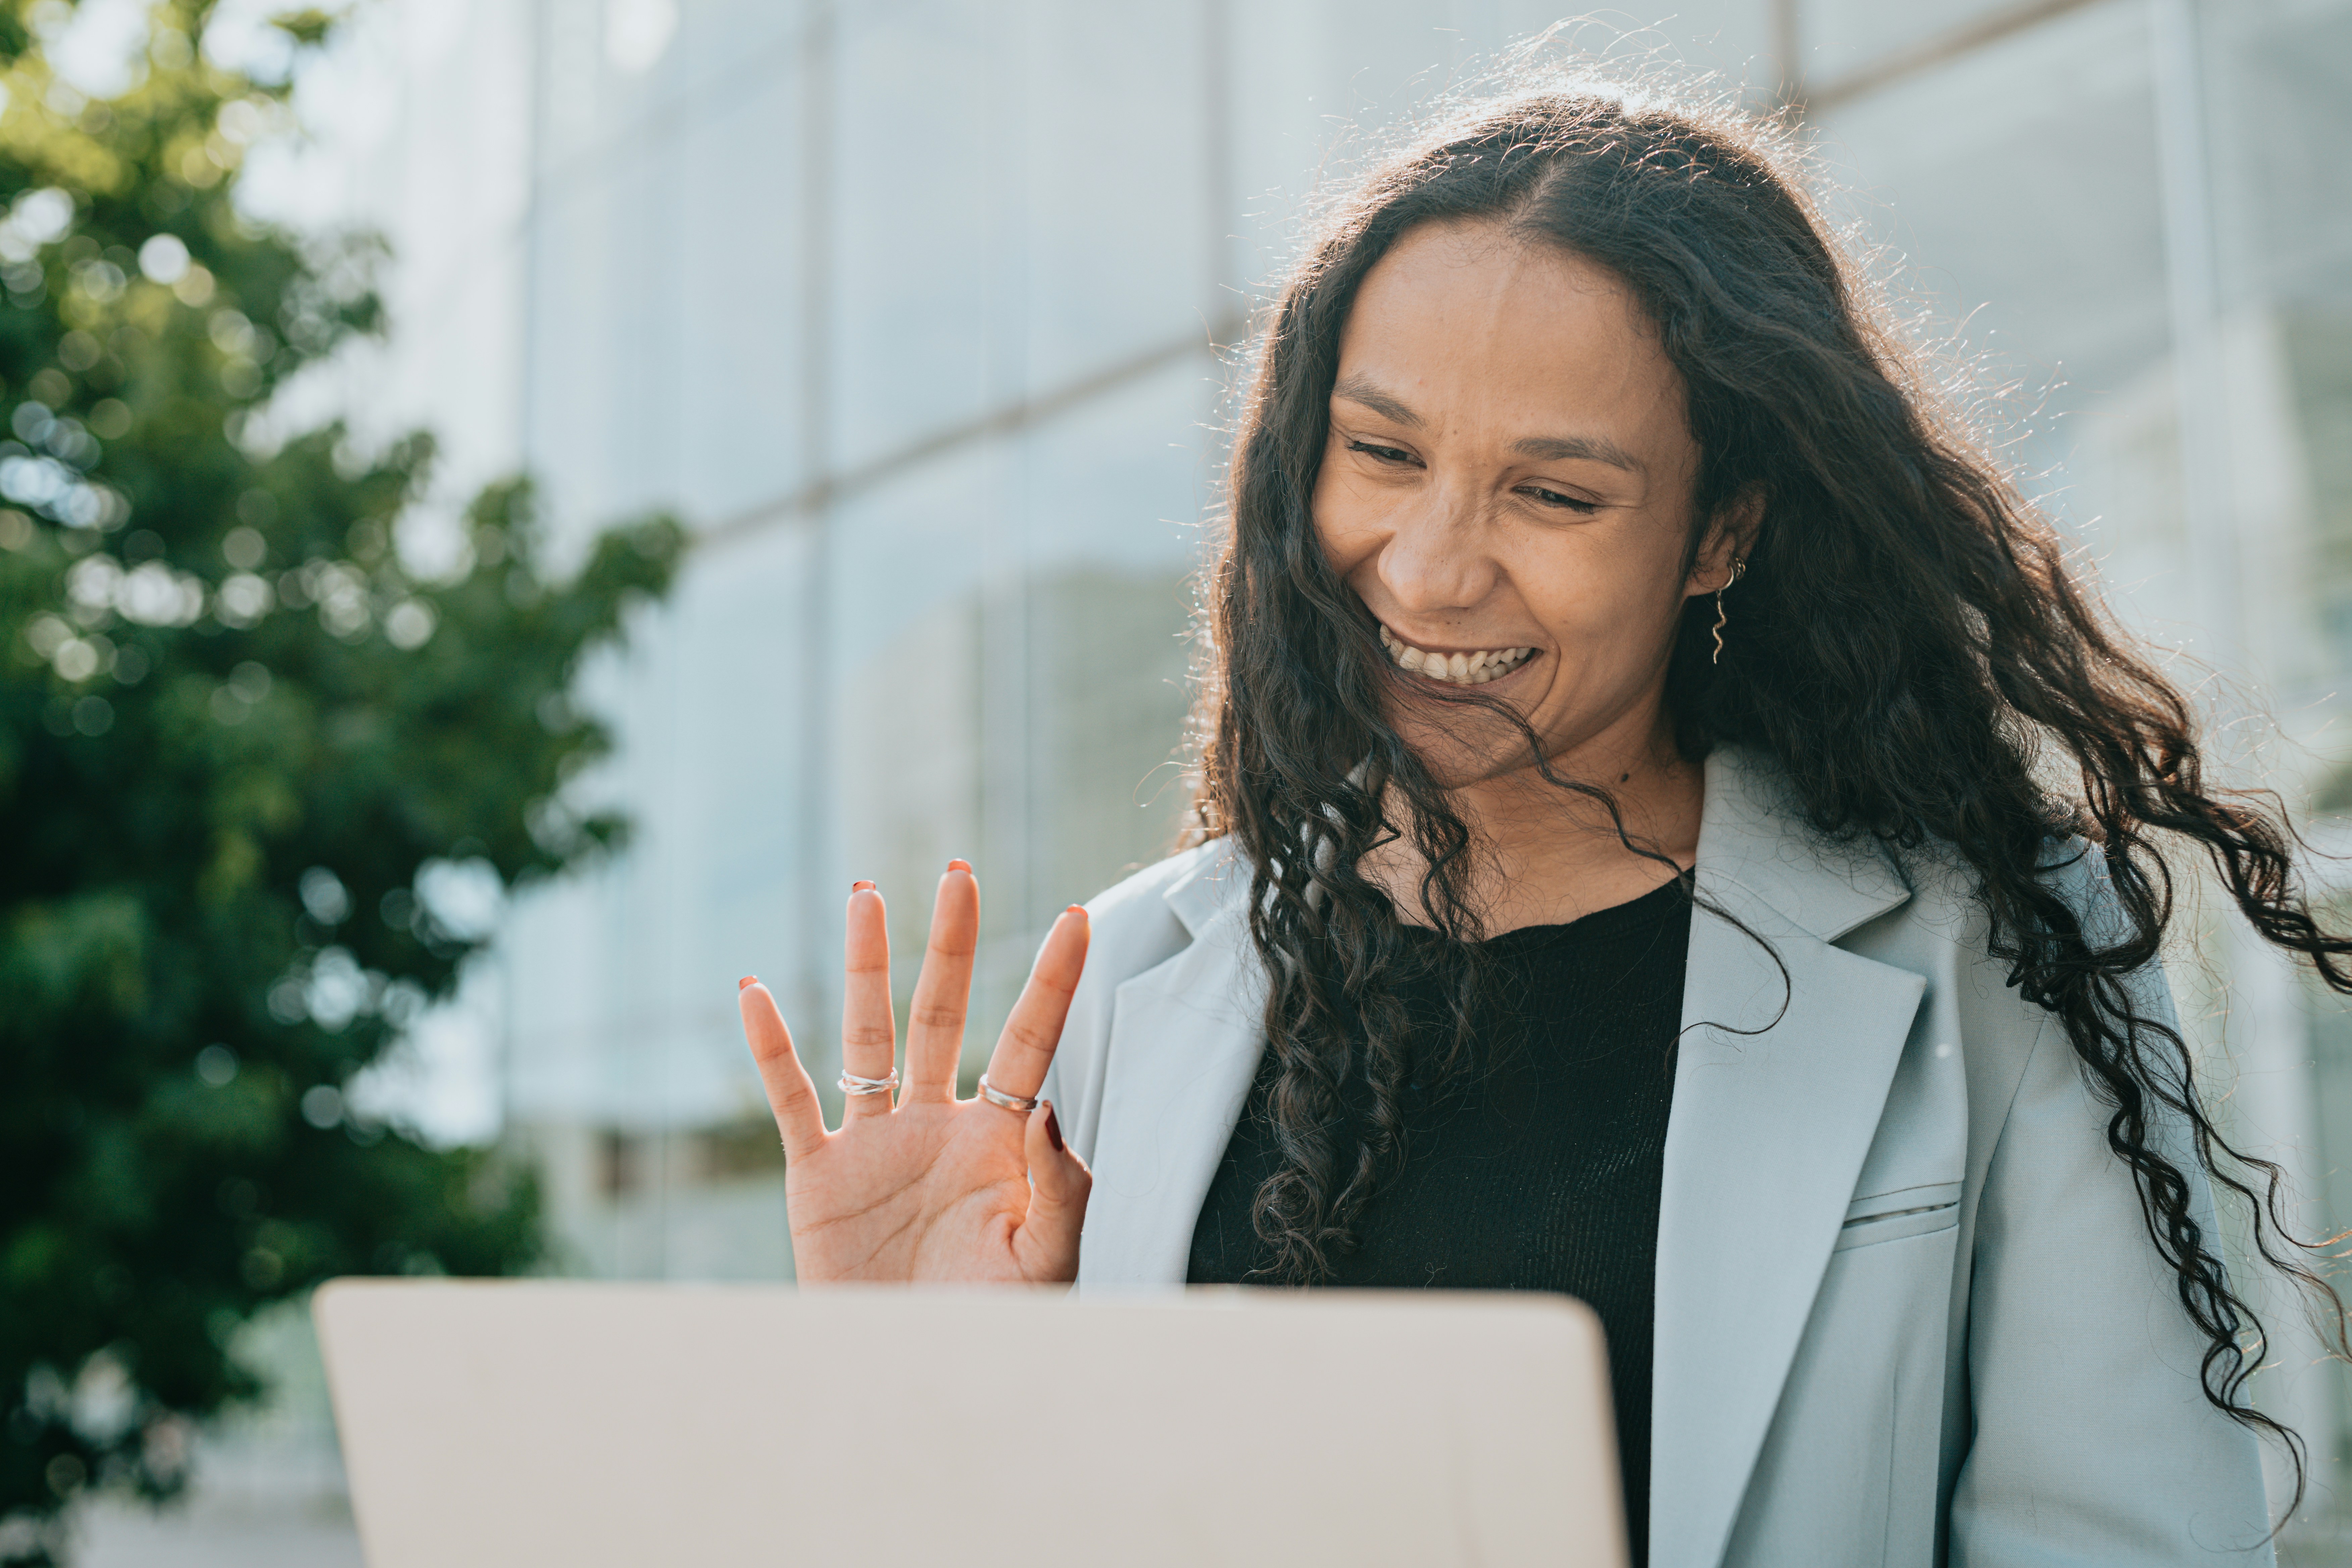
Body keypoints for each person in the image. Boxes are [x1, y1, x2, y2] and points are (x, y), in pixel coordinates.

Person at [734, 83, 2347, 1566]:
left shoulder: (1994, 948)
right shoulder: (1130, 983)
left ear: (1723, 533)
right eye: (1382, 454)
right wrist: (918, 1407)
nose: (1431, 570)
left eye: (1555, 494)